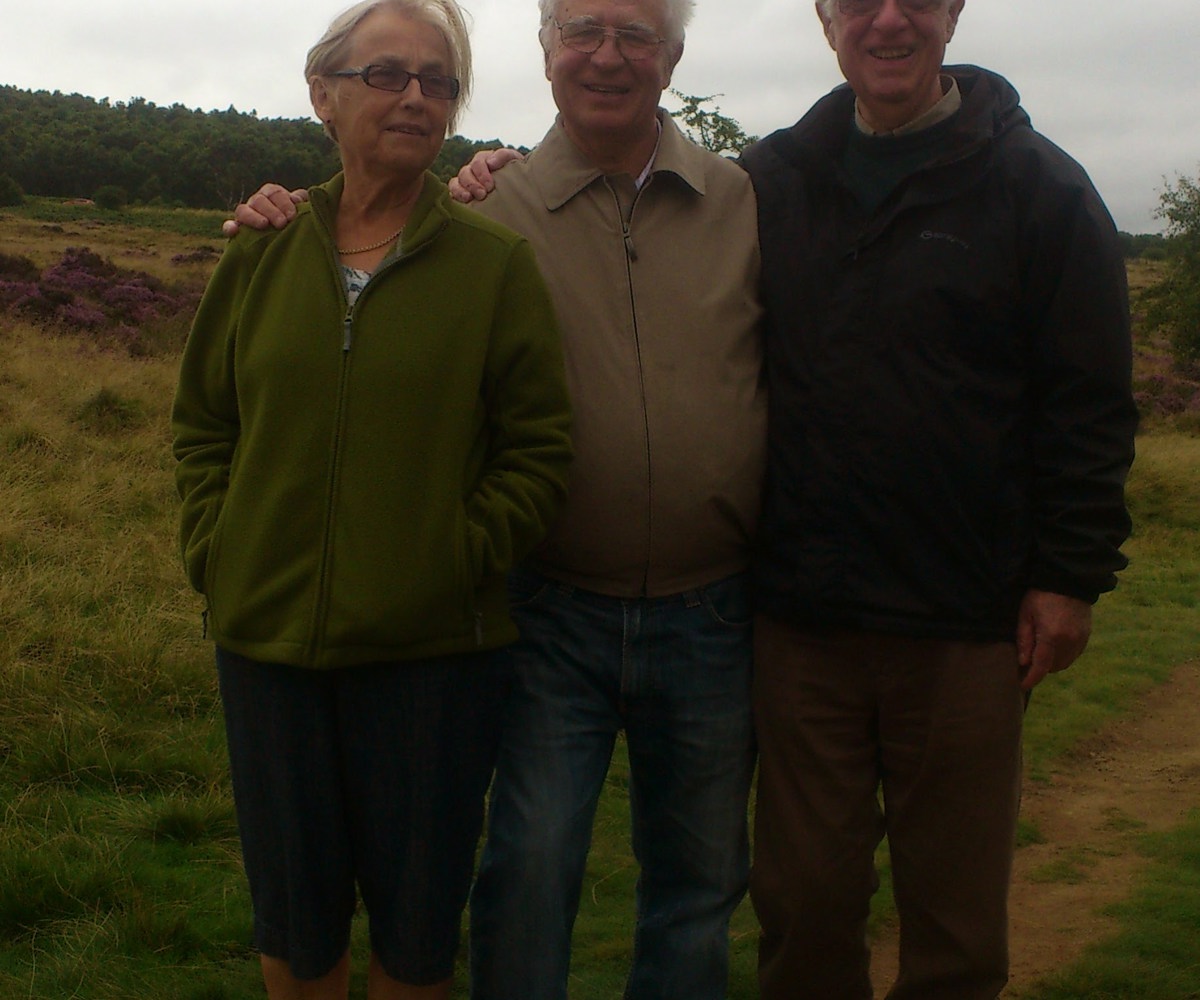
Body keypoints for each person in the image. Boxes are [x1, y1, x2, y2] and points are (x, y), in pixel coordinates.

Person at [228, 0, 765, 996]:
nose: (608, 56)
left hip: (714, 609)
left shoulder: (744, 199)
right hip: (552, 608)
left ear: (675, 55)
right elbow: (215, 416)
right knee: (526, 868)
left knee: (699, 884)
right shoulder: (487, 205)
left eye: (637, 34)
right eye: (583, 30)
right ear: (547, 50)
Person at [172, 1, 572, 997]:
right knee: (296, 922)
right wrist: (220, 550)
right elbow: (204, 425)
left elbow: (538, 450)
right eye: (385, 74)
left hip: (432, 660)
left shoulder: (494, 265)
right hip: (268, 647)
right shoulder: (260, 249)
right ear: (323, 94)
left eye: (438, 81)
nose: (415, 98)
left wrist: (453, 558)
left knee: (416, 930)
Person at [739, 0, 1137, 997]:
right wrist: (499, 175)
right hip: (802, 618)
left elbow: (1089, 401)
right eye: (859, 1)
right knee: (804, 904)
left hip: (966, 621)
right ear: (825, 18)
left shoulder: (1041, 188)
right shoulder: (769, 181)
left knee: (954, 927)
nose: (888, 21)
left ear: (953, 14)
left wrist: (1069, 577)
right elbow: (643, 225)